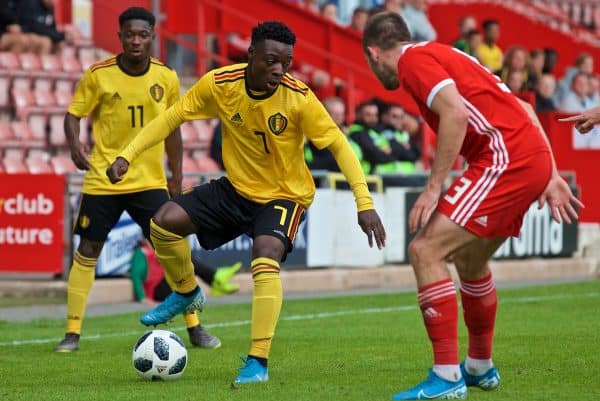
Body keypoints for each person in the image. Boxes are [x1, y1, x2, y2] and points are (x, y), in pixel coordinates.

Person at [106, 20, 386, 386]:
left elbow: (339, 147)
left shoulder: (299, 98)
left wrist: (363, 203)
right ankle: (187, 291)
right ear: (251, 54)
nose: (278, 70)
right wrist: (127, 155)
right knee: (163, 222)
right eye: (270, 60)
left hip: (284, 194)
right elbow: (171, 118)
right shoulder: (220, 85)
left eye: (285, 63)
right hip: (236, 189)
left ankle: (258, 360)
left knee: (265, 252)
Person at [362, 12, 582, 400]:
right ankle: (479, 367)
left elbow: (456, 115)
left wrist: (432, 189)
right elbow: (525, 111)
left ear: (374, 52)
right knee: (470, 261)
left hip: (504, 158)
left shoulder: (411, 61)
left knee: (425, 249)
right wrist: (547, 172)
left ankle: (447, 377)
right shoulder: (446, 55)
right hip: (526, 155)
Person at [54, 7, 221, 353]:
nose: (135, 40)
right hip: (104, 179)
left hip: (149, 180)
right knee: (87, 250)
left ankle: (195, 325)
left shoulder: (167, 77)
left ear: (152, 37)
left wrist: (176, 175)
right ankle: (72, 332)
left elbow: (173, 129)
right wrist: (75, 145)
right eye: (129, 34)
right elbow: (73, 115)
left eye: (142, 34)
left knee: (173, 250)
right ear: (119, 37)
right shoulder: (98, 74)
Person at [130, 239, 242, 302]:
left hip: (167, 283)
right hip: (156, 289)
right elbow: (136, 275)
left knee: (184, 260)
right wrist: (142, 298)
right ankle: (216, 279)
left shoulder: (159, 250)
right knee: (183, 261)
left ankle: (216, 281)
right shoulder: (142, 252)